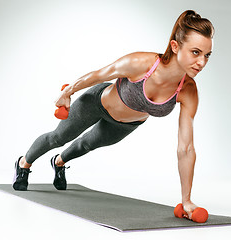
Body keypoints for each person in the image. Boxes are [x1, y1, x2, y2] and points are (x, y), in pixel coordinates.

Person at [13, 10, 214, 220]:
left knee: (86, 145)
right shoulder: (141, 63)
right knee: (58, 137)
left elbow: (186, 147)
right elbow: (100, 74)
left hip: (124, 125)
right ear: (175, 46)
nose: (201, 62)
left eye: (207, 55)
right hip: (96, 103)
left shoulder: (188, 90)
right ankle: (23, 163)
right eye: (195, 52)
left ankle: (59, 162)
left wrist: (187, 200)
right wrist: (67, 92)